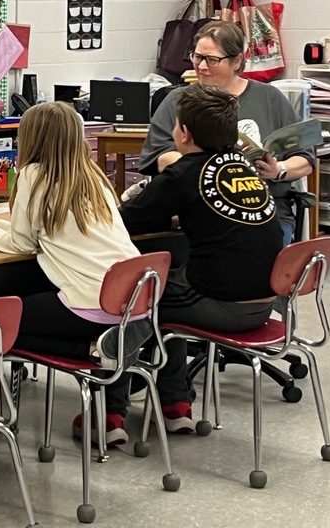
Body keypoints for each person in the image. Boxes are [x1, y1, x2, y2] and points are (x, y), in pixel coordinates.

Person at [0, 102, 142, 445]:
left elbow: (21, 244)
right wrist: (3, 226)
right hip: (130, 299)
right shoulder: (94, 178)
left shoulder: (33, 175)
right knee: (101, 330)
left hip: (90, 303)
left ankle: (90, 352)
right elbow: (44, 232)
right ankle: (109, 409)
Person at [119, 84, 284, 432]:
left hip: (221, 302)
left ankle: (108, 411)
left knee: (134, 298)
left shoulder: (183, 173)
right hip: (266, 302)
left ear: (183, 132)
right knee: (168, 293)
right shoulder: (243, 167)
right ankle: (175, 402)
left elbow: (128, 219)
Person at [140, 21, 314, 244]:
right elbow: (158, 156)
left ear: (237, 61)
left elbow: (305, 159)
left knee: (250, 252)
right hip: (196, 209)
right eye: (197, 57)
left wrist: (278, 170)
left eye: (212, 60)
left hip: (263, 212)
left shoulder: (270, 98)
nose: (201, 66)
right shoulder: (177, 100)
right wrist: (206, 170)